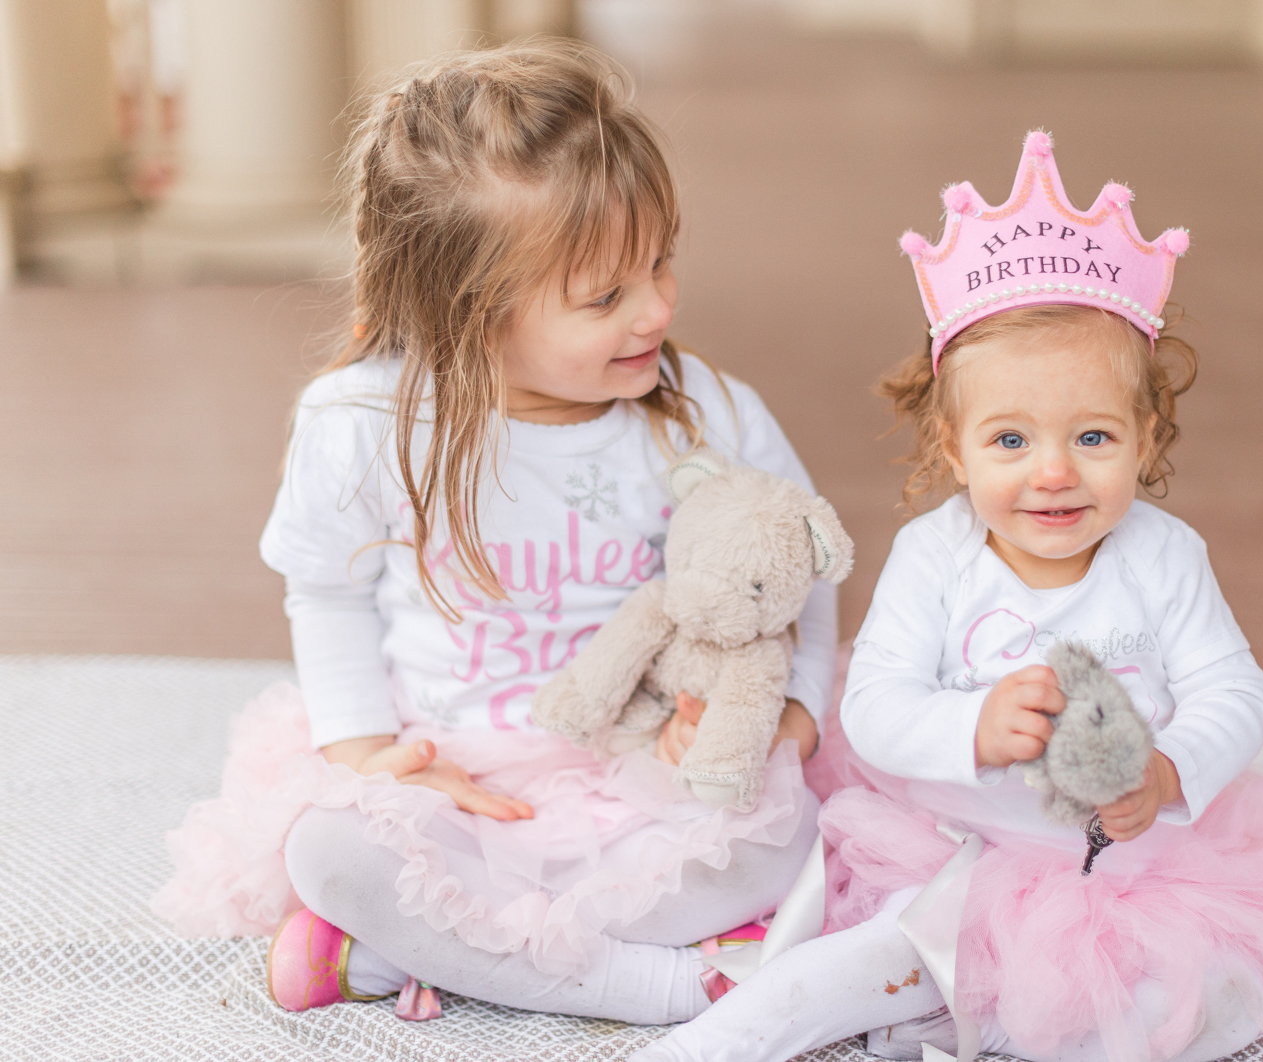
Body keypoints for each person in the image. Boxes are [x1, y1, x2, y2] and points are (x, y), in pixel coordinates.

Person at [631, 131, 1263, 1062]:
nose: (1055, 474)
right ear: (952, 449)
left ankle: (967, 1017)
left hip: (1136, 875)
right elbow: (872, 705)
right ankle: (820, 1019)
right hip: (956, 852)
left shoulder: (1165, 556)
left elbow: (1235, 692)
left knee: (1201, 1004)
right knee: (832, 975)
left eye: (1095, 438)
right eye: (1010, 442)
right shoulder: (933, 555)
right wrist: (973, 729)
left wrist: (1167, 772)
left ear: (1146, 438)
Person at [150, 40, 836, 1026]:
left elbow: (799, 570)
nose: (659, 306)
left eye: (662, 259)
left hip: (640, 769)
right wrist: (364, 752)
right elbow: (329, 591)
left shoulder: (704, 416)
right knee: (327, 847)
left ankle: (412, 953)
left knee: (787, 830)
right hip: (450, 775)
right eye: (607, 297)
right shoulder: (364, 426)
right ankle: (637, 981)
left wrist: (796, 716)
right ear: (465, 316)